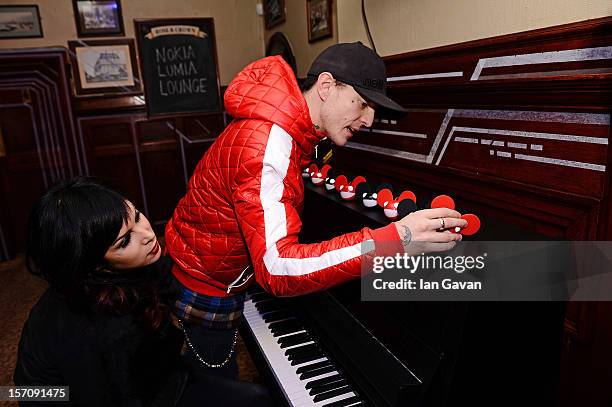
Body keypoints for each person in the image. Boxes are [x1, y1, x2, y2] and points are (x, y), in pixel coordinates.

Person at [165, 42, 466, 376]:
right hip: (206, 289)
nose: (369, 120)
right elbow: (278, 270)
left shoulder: (288, 132)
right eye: (363, 103)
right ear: (326, 86)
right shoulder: (267, 144)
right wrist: (396, 240)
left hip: (213, 274)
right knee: (213, 388)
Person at [14, 178, 271, 407]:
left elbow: (170, 280)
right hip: (83, 395)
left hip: (145, 379)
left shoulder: (121, 269)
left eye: (137, 216)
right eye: (125, 241)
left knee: (257, 397)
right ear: (94, 265)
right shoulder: (96, 332)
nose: (147, 235)